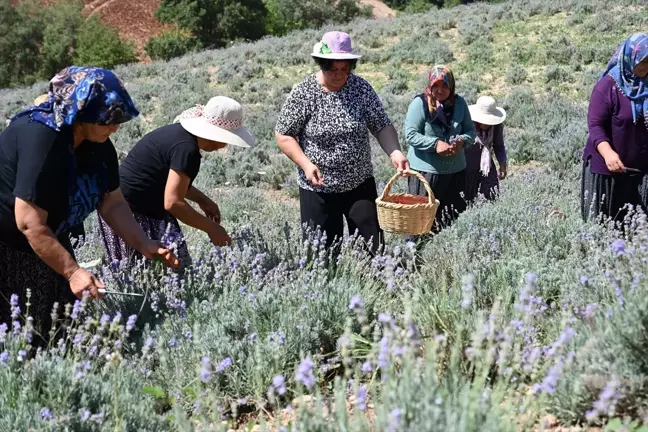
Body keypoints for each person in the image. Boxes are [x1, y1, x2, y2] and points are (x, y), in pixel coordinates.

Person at [0, 66, 179, 339]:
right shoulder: (42, 139)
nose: (115, 127)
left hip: (49, 239)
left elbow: (112, 202)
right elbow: (29, 223)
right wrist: (72, 271)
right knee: (22, 334)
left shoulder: (98, 143)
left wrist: (143, 243)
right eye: (107, 119)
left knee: (62, 328)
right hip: (10, 247)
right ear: (79, 115)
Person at [275, 31, 409, 254]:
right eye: (332, 69)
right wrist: (306, 165)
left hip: (359, 184)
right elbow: (284, 135)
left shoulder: (361, 88)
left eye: (344, 69)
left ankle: (377, 286)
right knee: (321, 254)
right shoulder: (304, 92)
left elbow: (381, 124)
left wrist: (395, 152)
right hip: (318, 188)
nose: (338, 75)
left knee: (373, 249)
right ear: (321, 64)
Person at [98, 96, 254, 268]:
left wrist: (203, 200)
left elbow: (173, 182)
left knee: (169, 272)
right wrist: (212, 228)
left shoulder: (180, 135)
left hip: (133, 206)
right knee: (155, 273)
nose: (224, 146)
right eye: (225, 138)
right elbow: (173, 202)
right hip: (129, 213)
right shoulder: (187, 150)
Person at [581, 33, 648, 224]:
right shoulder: (607, 87)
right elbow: (595, 126)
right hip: (608, 171)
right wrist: (608, 153)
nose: (646, 67)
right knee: (605, 227)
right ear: (630, 58)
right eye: (643, 62)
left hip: (641, 169)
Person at [404, 65, 476, 232]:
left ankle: (443, 254)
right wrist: (435, 144)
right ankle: (413, 254)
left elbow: (470, 131)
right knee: (419, 221)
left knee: (451, 219)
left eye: (444, 85)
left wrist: (461, 141)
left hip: (455, 172)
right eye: (435, 85)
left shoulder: (459, 103)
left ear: (451, 86)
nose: (440, 90)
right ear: (430, 85)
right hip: (426, 173)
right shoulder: (420, 103)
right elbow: (411, 135)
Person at [464, 96, 508, 203]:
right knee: (467, 200)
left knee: (492, 197)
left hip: (486, 167)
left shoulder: (496, 126)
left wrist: (502, 165)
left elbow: (499, 145)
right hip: (467, 168)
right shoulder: (467, 125)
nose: (487, 123)